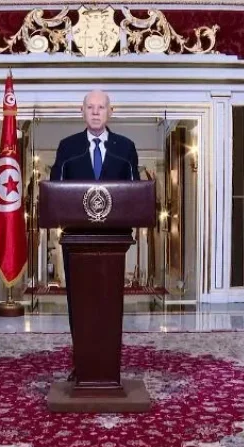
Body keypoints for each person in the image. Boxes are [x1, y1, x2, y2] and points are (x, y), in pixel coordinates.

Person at [49, 90, 140, 379]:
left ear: (110, 111)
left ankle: (108, 364)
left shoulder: (125, 148)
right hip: (76, 242)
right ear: (82, 111)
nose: (96, 112)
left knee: (107, 303)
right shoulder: (68, 147)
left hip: (114, 243)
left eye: (101, 107)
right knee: (80, 304)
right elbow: (55, 189)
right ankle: (83, 363)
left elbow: (135, 193)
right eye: (91, 107)